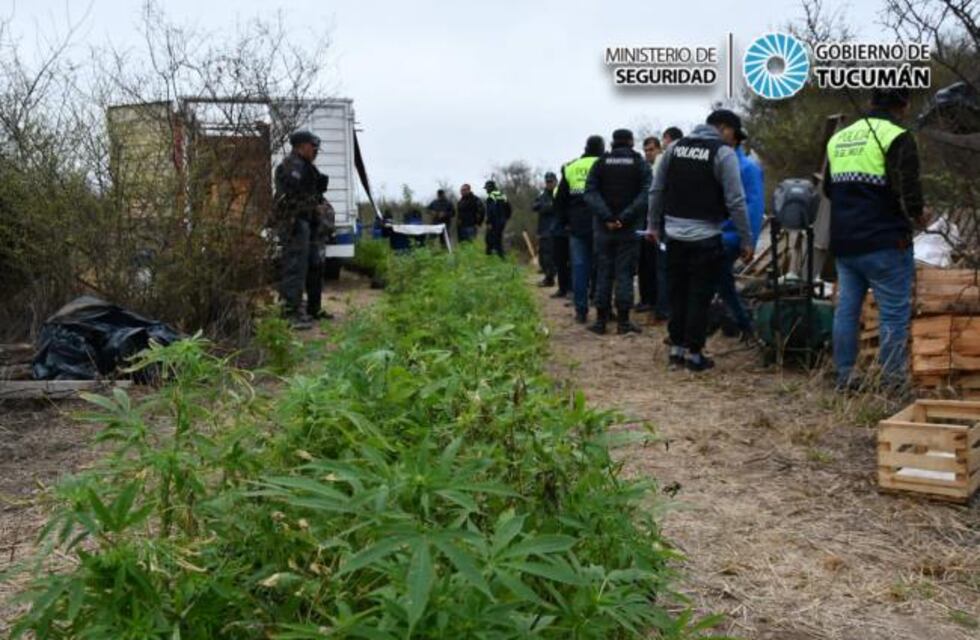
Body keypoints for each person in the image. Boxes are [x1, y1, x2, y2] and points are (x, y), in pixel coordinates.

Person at [824, 88, 925, 392]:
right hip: (884, 241)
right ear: (904, 105)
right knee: (893, 311)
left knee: (847, 309)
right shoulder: (897, 136)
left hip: (845, 241)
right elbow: (909, 192)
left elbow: (829, 189)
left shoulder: (840, 138)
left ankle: (845, 376)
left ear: (870, 102)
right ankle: (893, 382)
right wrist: (919, 216)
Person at [648, 110, 753, 371]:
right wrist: (746, 239)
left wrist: (653, 226)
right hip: (706, 236)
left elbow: (657, 190)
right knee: (699, 295)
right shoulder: (722, 153)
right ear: (723, 128)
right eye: (733, 135)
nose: (734, 142)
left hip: (673, 236)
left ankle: (676, 350)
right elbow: (736, 201)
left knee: (677, 293)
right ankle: (694, 354)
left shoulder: (673, 150)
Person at [584, 128, 652, 335]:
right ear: (631, 142)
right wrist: (624, 218)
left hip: (604, 229)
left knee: (604, 272)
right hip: (629, 229)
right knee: (624, 274)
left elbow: (590, 192)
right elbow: (646, 193)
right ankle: (623, 323)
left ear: (613, 142)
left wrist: (607, 217)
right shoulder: (639, 164)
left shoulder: (601, 163)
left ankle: (600, 322)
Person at [272, 130, 334, 329]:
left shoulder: (308, 167)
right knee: (295, 267)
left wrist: (320, 207)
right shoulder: (291, 166)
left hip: (309, 223)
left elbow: (313, 194)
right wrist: (312, 207)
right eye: (312, 146)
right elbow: (289, 198)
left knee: (315, 265)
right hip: (295, 223)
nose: (315, 151)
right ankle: (290, 312)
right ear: (300, 146)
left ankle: (313, 309)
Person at [716, 129, 765, 339]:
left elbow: (754, 208)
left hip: (730, 236)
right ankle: (745, 325)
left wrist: (748, 241)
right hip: (716, 234)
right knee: (724, 284)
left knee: (710, 282)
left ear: (735, 139)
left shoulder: (747, 168)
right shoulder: (719, 165)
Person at [555, 135, 605, 323]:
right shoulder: (603, 164)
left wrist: (564, 222)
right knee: (602, 268)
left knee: (579, 268)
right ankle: (603, 308)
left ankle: (581, 311)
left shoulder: (571, 167)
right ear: (601, 147)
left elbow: (559, 201)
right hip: (601, 224)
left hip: (576, 226)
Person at [649, 126, 683, 323]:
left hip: (665, 219)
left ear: (668, 139)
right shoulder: (691, 157)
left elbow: (655, 192)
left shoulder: (664, 158)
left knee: (663, 267)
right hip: (685, 218)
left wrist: (652, 224)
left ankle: (663, 309)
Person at [636, 136, 662, 313]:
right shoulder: (644, 170)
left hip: (658, 221)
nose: (648, 154)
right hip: (643, 220)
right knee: (644, 263)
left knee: (655, 263)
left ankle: (655, 300)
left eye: (651, 150)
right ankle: (646, 299)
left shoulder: (661, 168)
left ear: (658, 149)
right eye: (645, 150)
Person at [533, 172, 559, 286]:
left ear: (555, 181)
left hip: (555, 229)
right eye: (547, 181)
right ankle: (548, 276)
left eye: (551, 181)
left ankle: (550, 278)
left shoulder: (559, 192)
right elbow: (534, 206)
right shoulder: (542, 194)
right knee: (543, 256)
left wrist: (546, 207)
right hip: (543, 229)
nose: (549, 184)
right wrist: (547, 206)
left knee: (551, 256)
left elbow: (557, 207)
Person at [484, 180, 511, 257]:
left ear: (490, 188)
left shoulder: (491, 196)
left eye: (487, 188)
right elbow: (509, 208)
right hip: (502, 222)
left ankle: (492, 257)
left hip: (494, 222)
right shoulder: (502, 195)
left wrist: (489, 222)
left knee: (490, 240)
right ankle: (499, 257)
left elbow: (491, 211)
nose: (486, 190)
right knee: (498, 239)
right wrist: (506, 218)